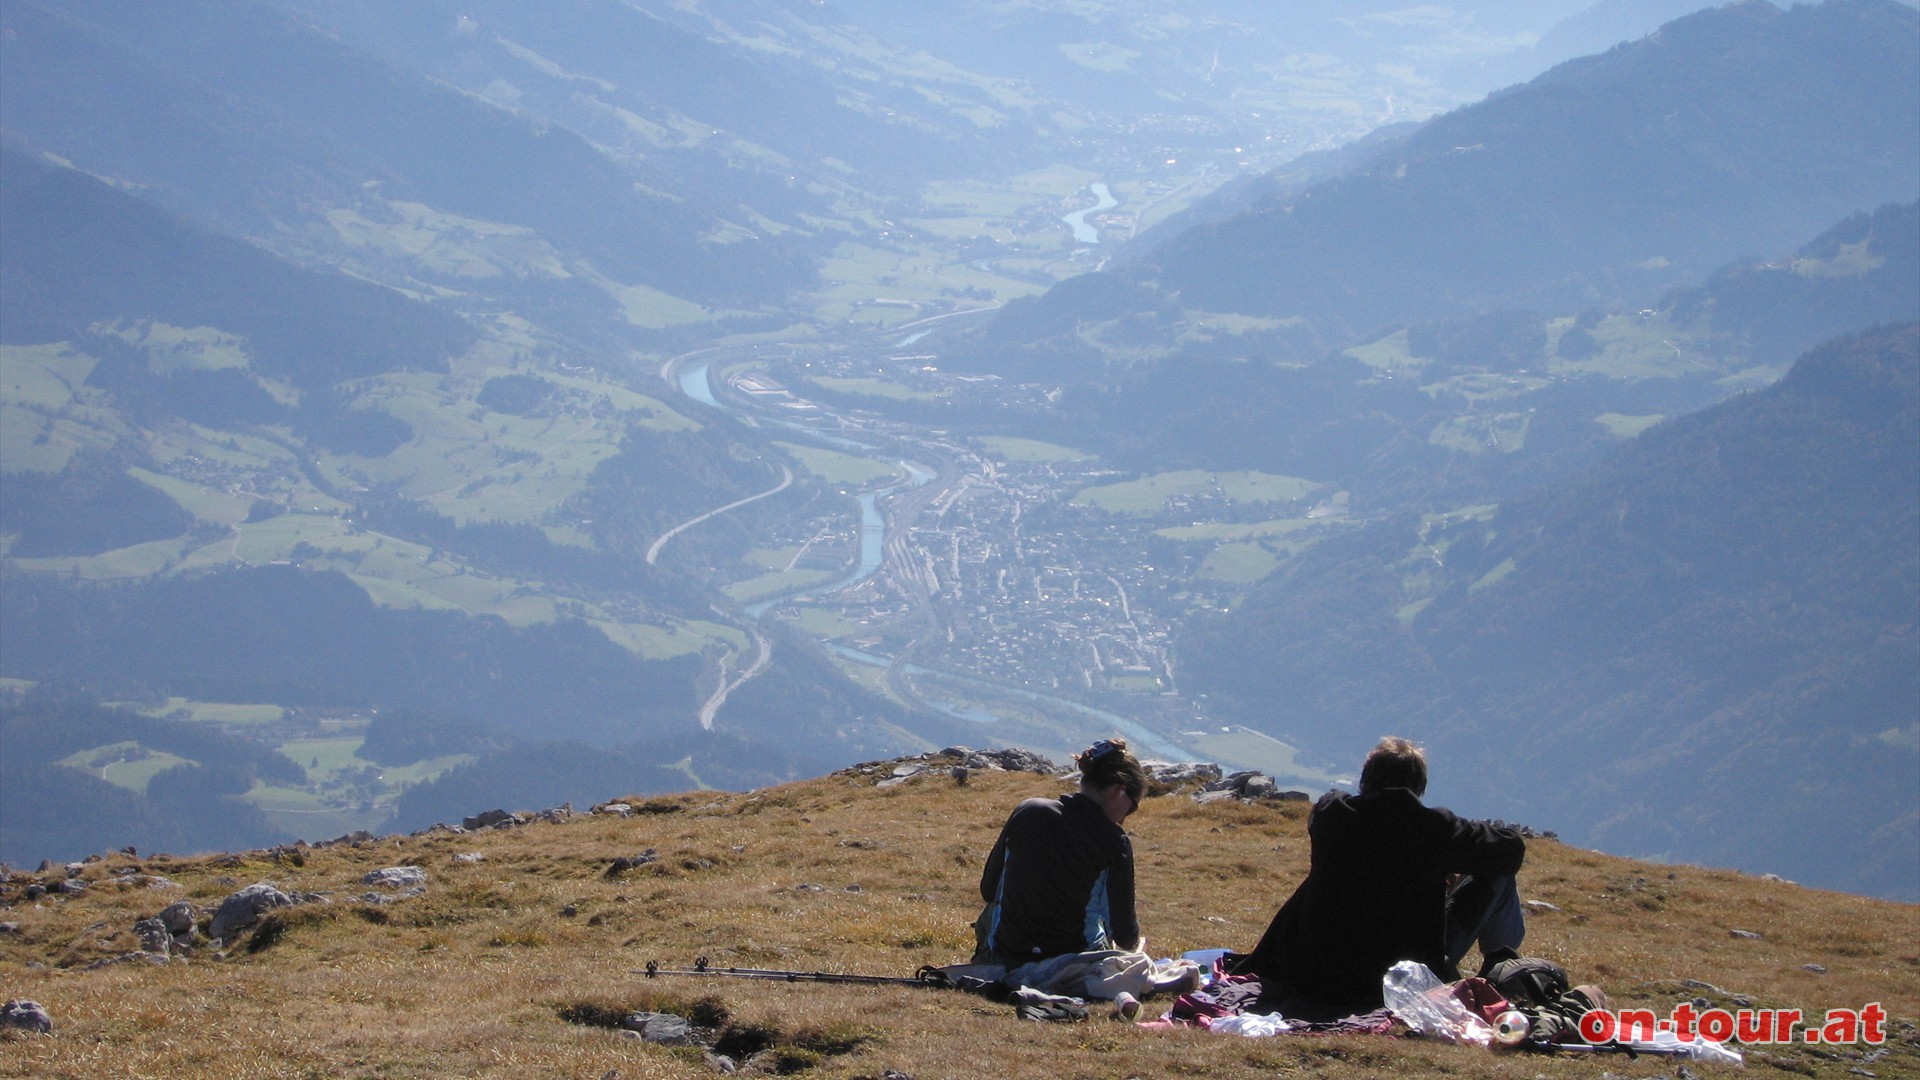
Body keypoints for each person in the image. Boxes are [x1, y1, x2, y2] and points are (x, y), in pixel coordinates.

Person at [1236, 736, 1526, 1018]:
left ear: (1366, 780)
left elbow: (1339, 812)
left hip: (1317, 970)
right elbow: (1511, 849)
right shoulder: (1435, 829)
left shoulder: (1332, 814)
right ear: (1419, 786)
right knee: (1498, 875)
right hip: (1400, 978)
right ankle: (1500, 968)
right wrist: (1451, 860)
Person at [973, 737, 1146, 965]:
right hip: (1074, 961)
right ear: (1119, 791)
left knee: (991, 914)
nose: (1124, 818)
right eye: (1132, 807)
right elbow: (1125, 935)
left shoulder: (1029, 811)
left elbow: (989, 890)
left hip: (1007, 957)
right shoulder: (1114, 841)